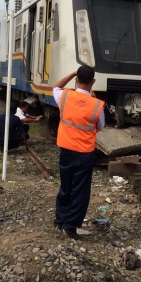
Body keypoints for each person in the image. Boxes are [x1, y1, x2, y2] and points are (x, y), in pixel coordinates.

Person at [53, 65, 105, 239]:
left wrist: (71, 73)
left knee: (65, 187)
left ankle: (59, 221)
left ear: (76, 79)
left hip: (66, 150)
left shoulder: (65, 96)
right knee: (80, 191)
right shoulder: (97, 105)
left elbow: (56, 87)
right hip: (84, 153)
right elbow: (100, 126)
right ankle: (70, 226)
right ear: (93, 82)